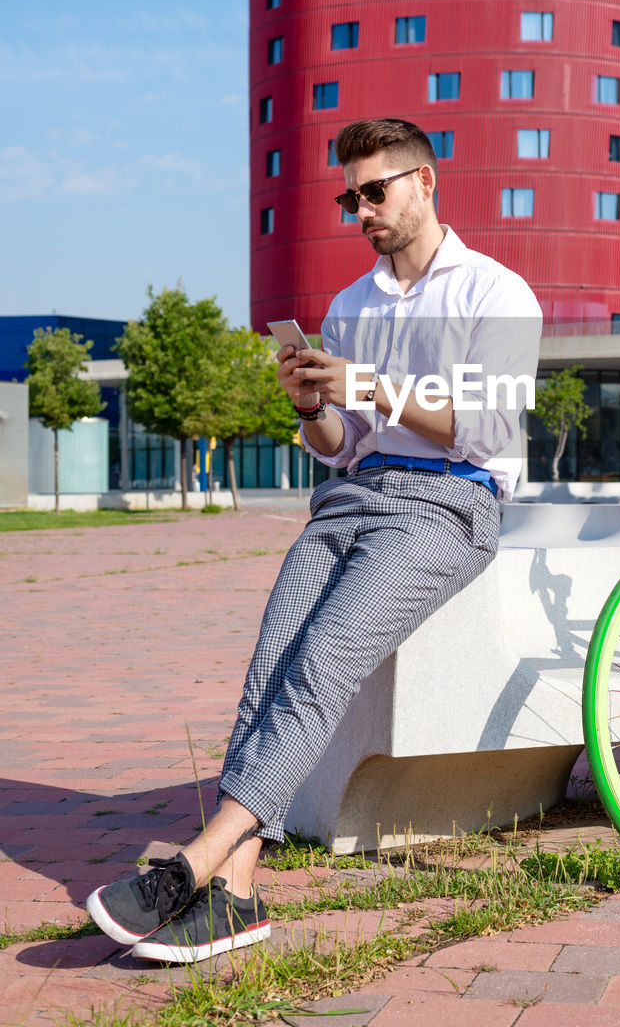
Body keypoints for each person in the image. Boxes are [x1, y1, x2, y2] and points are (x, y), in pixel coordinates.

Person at [86, 118, 543, 963]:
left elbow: (482, 429)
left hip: (449, 505)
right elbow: (344, 444)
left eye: (376, 190)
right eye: (350, 196)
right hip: (350, 499)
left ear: (426, 182)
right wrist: (311, 407)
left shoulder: (496, 293)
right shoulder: (349, 306)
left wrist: (366, 380)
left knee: (324, 662)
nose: (361, 208)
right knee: (271, 669)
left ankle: (196, 862)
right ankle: (241, 897)